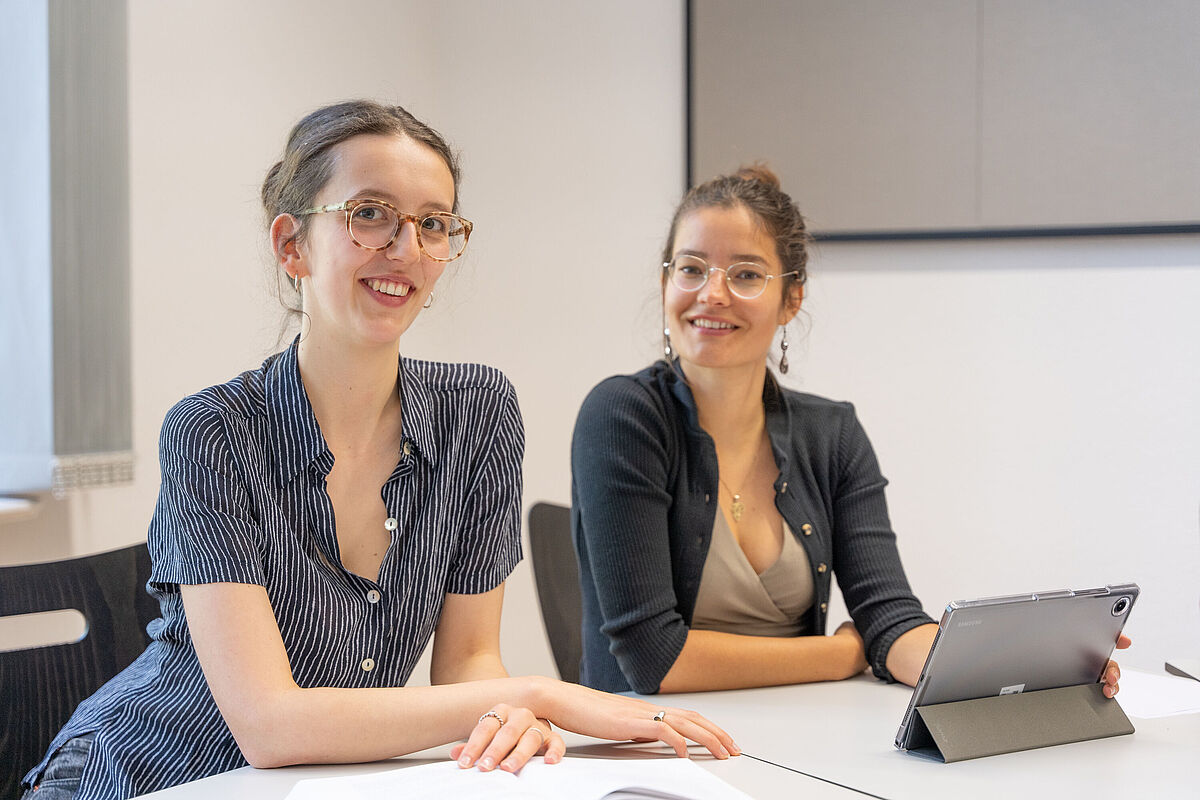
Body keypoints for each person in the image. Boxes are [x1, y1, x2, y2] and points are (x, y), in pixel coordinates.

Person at [22, 100, 735, 800]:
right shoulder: (211, 432)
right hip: (145, 775)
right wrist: (541, 693)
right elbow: (270, 725)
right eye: (370, 214)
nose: (407, 248)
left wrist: (504, 714)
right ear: (291, 244)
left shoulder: (479, 414)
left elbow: (467, 662)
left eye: (433, 224)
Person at [570, 165, 1130, 696]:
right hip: (647, 747)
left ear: (792, 299)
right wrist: (840, 656)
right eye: (691, 268)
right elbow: (652, 659)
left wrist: (1034, 662)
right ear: (667, 280)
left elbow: (890, 620)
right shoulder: (622, 416)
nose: (712, 294)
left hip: (797, 737)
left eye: (745, 274)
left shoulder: (832, 433)